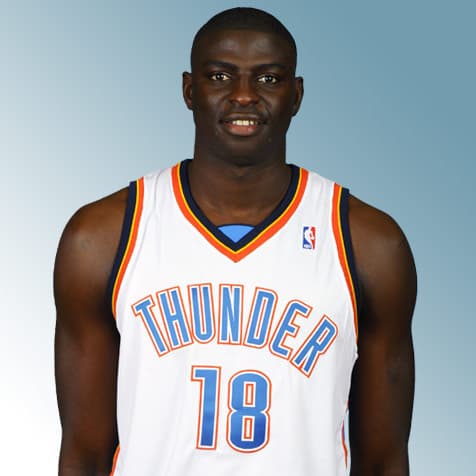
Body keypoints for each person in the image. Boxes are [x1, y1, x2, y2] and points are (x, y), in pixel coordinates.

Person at [54, 7, 416, 476]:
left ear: (296, 95)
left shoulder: (368, 244)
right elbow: (83, 455)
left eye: (268, 79)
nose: (244, 95)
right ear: (189, 90)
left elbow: (385, 461)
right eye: (220, 76)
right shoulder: (103, 237)